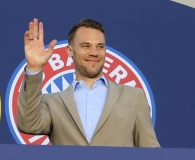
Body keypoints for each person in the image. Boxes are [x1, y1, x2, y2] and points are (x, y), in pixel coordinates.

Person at [17, 18, 160, 147]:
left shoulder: (134, 97)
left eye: (100, 46)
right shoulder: (52, 103)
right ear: (69, 51)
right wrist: (34, 68)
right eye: (86, 46)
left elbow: (151, 151)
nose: (94, 52)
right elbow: (28, 125)